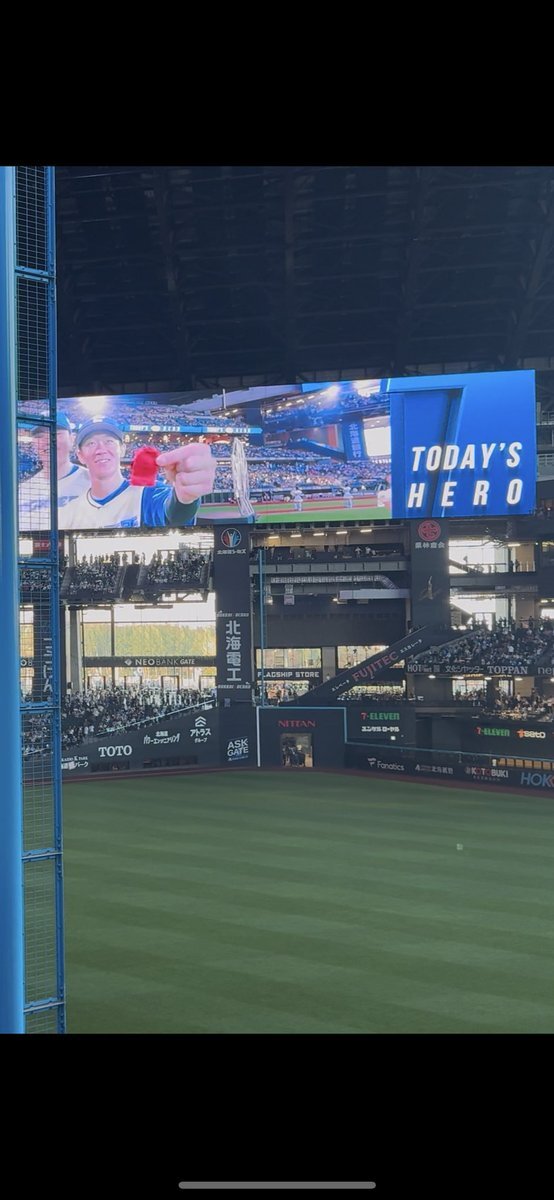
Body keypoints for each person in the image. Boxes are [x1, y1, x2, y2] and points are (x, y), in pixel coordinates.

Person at [60, 416, 216, 529]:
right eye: (91, 443)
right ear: (80, 455)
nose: (101, 449)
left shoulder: (148, 493)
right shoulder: (69, 511)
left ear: (122, 449)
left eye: (109, 441)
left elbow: (173, 515)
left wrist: (184, 499)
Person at [19, 413, 90, 530]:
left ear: (72, 439)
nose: (47, 441)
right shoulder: (23, 490)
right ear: (33, 443)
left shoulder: (94, 482)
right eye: (40, 436)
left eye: (56, 434)